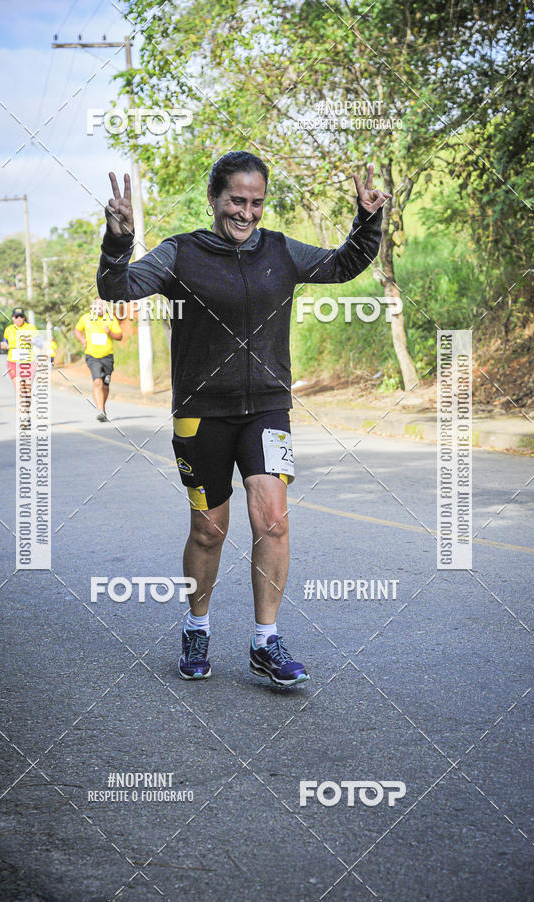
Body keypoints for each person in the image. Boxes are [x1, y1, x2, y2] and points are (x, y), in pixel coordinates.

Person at [97, 151, 389, 686]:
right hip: (202, 414)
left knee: (273, 519)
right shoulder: (180, 254)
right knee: (210, 529)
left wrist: (368, 222)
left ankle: (265, 641)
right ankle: (197, 626)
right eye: (236, 200)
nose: (247, 212)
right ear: (214, 199)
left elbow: (344, 263)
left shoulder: (280, 250)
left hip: (267, 409)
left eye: (256, 202)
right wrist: (118, 241)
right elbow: (117, 288)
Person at [74, 299, 122, 422]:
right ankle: (100, 410)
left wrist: (110, 332)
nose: (99, 308)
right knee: (97, 382)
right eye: (96, 305)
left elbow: (119, 336)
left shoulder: (110, 319)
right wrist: (82, 340)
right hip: (92, 356)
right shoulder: (86, 318)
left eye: (101, 305)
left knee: (105, 385)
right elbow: (77, 330)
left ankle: (102, 406)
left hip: (107, 357)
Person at [0, 307, 38, 415]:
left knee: (27, 388)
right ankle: (23, 414)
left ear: (24, 317)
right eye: (16, 317)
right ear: (12, 318)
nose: (19, 319)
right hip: (13, 362)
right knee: (19, 388)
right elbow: (4, 342)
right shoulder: (9, 329)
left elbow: (40, 342)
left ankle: (27, 410)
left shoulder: (31, 328)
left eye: (21, 316)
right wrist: (3, 345)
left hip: (29, 362)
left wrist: (31, 340)